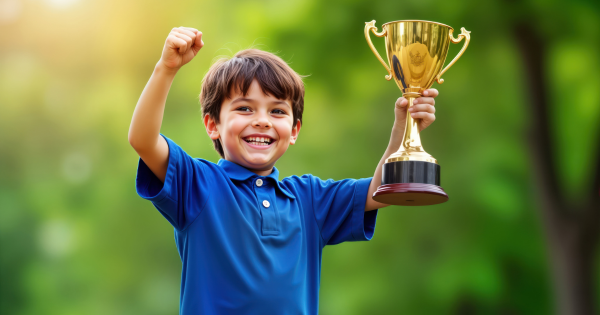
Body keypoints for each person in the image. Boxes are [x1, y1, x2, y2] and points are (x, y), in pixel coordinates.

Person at [128, 26, 439, 315]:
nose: (262, 120)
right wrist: (166, 69)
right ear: (213, 125)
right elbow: (142, 140)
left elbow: (382, 190)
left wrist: (405, 127)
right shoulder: (197, 184)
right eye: (244, 108)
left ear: (294, 130)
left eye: (277, 111)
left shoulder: (309, 199)